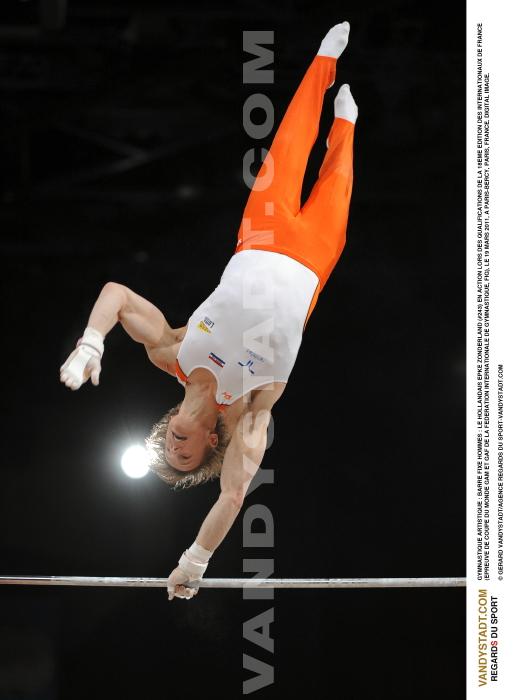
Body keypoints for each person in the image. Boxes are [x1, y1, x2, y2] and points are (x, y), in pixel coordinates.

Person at [59, 22, 358, 601]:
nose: (174, 445)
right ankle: (346, 120)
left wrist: (91, 342)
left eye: (167, 446)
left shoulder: (170, 352)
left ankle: (323, 62)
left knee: (290, 144)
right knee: (337, 176)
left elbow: (118, 294)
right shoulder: (247, 418)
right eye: (184, 453)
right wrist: (194, 561)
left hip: (260, 239)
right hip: (311, 268)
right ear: (208, 447)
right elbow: (231, 498)